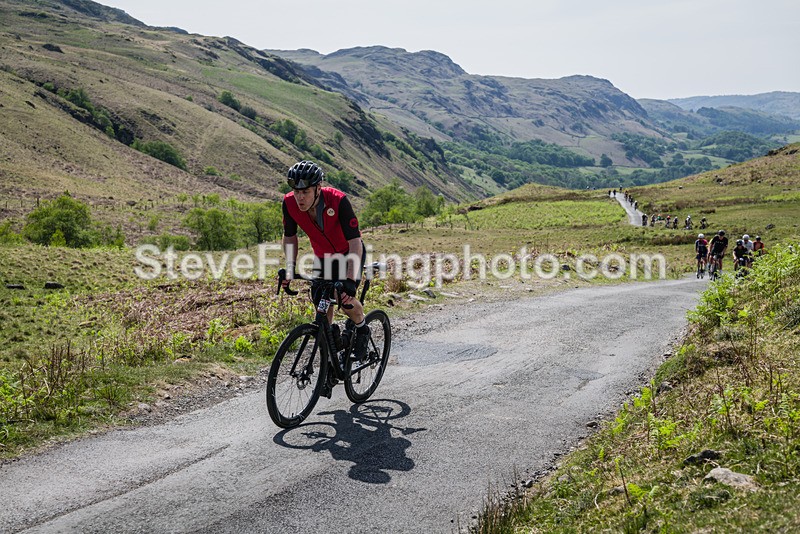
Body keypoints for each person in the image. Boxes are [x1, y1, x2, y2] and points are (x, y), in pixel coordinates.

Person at [280, 161, 370, 395]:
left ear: (318, 188)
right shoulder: (288, 203)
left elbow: (354, 242)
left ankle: (362, 328)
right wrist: (289, 268)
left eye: (305, 192)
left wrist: (350, 279)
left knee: (344, 299)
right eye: (297, 191)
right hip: (323, 258)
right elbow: (290, 237)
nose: (300, 197)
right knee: (321, 304)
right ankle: (332, 354)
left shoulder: (338, 201)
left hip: (349, 254)